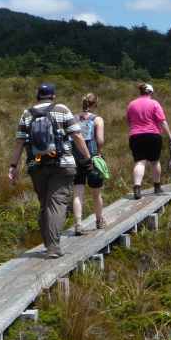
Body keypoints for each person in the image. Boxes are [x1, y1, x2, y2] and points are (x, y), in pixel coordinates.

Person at [8, 83, 94, 258]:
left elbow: (19, 142)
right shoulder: (62, 109)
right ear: (53, 96)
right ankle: (53, 247)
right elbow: (77, 135)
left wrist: (13, 166)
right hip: (63, 164)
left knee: (45, 204)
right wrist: (87, 158)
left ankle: (49, 244)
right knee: (56, 204)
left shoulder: (27, 114)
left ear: (37, 96)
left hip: (36, 165)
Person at [126, 82, 171, 199]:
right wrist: (170, 137)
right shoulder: (154, 104)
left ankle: (137, 187)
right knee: (155, 161)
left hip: (135, 136)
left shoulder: (131, 104)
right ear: (150, 92)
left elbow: (129, 121)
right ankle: (157, 187)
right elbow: (162, 121)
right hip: (153, 135)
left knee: (139, 162)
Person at [72, 93, 105, 235]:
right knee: (96, 193)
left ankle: (78, 224)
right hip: (92, 158)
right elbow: (100, 139)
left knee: (78, 192)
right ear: (95, 104)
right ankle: (99, 220)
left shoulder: (73, 118)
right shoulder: (97, 119)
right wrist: (99, 152)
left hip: (75, 158)